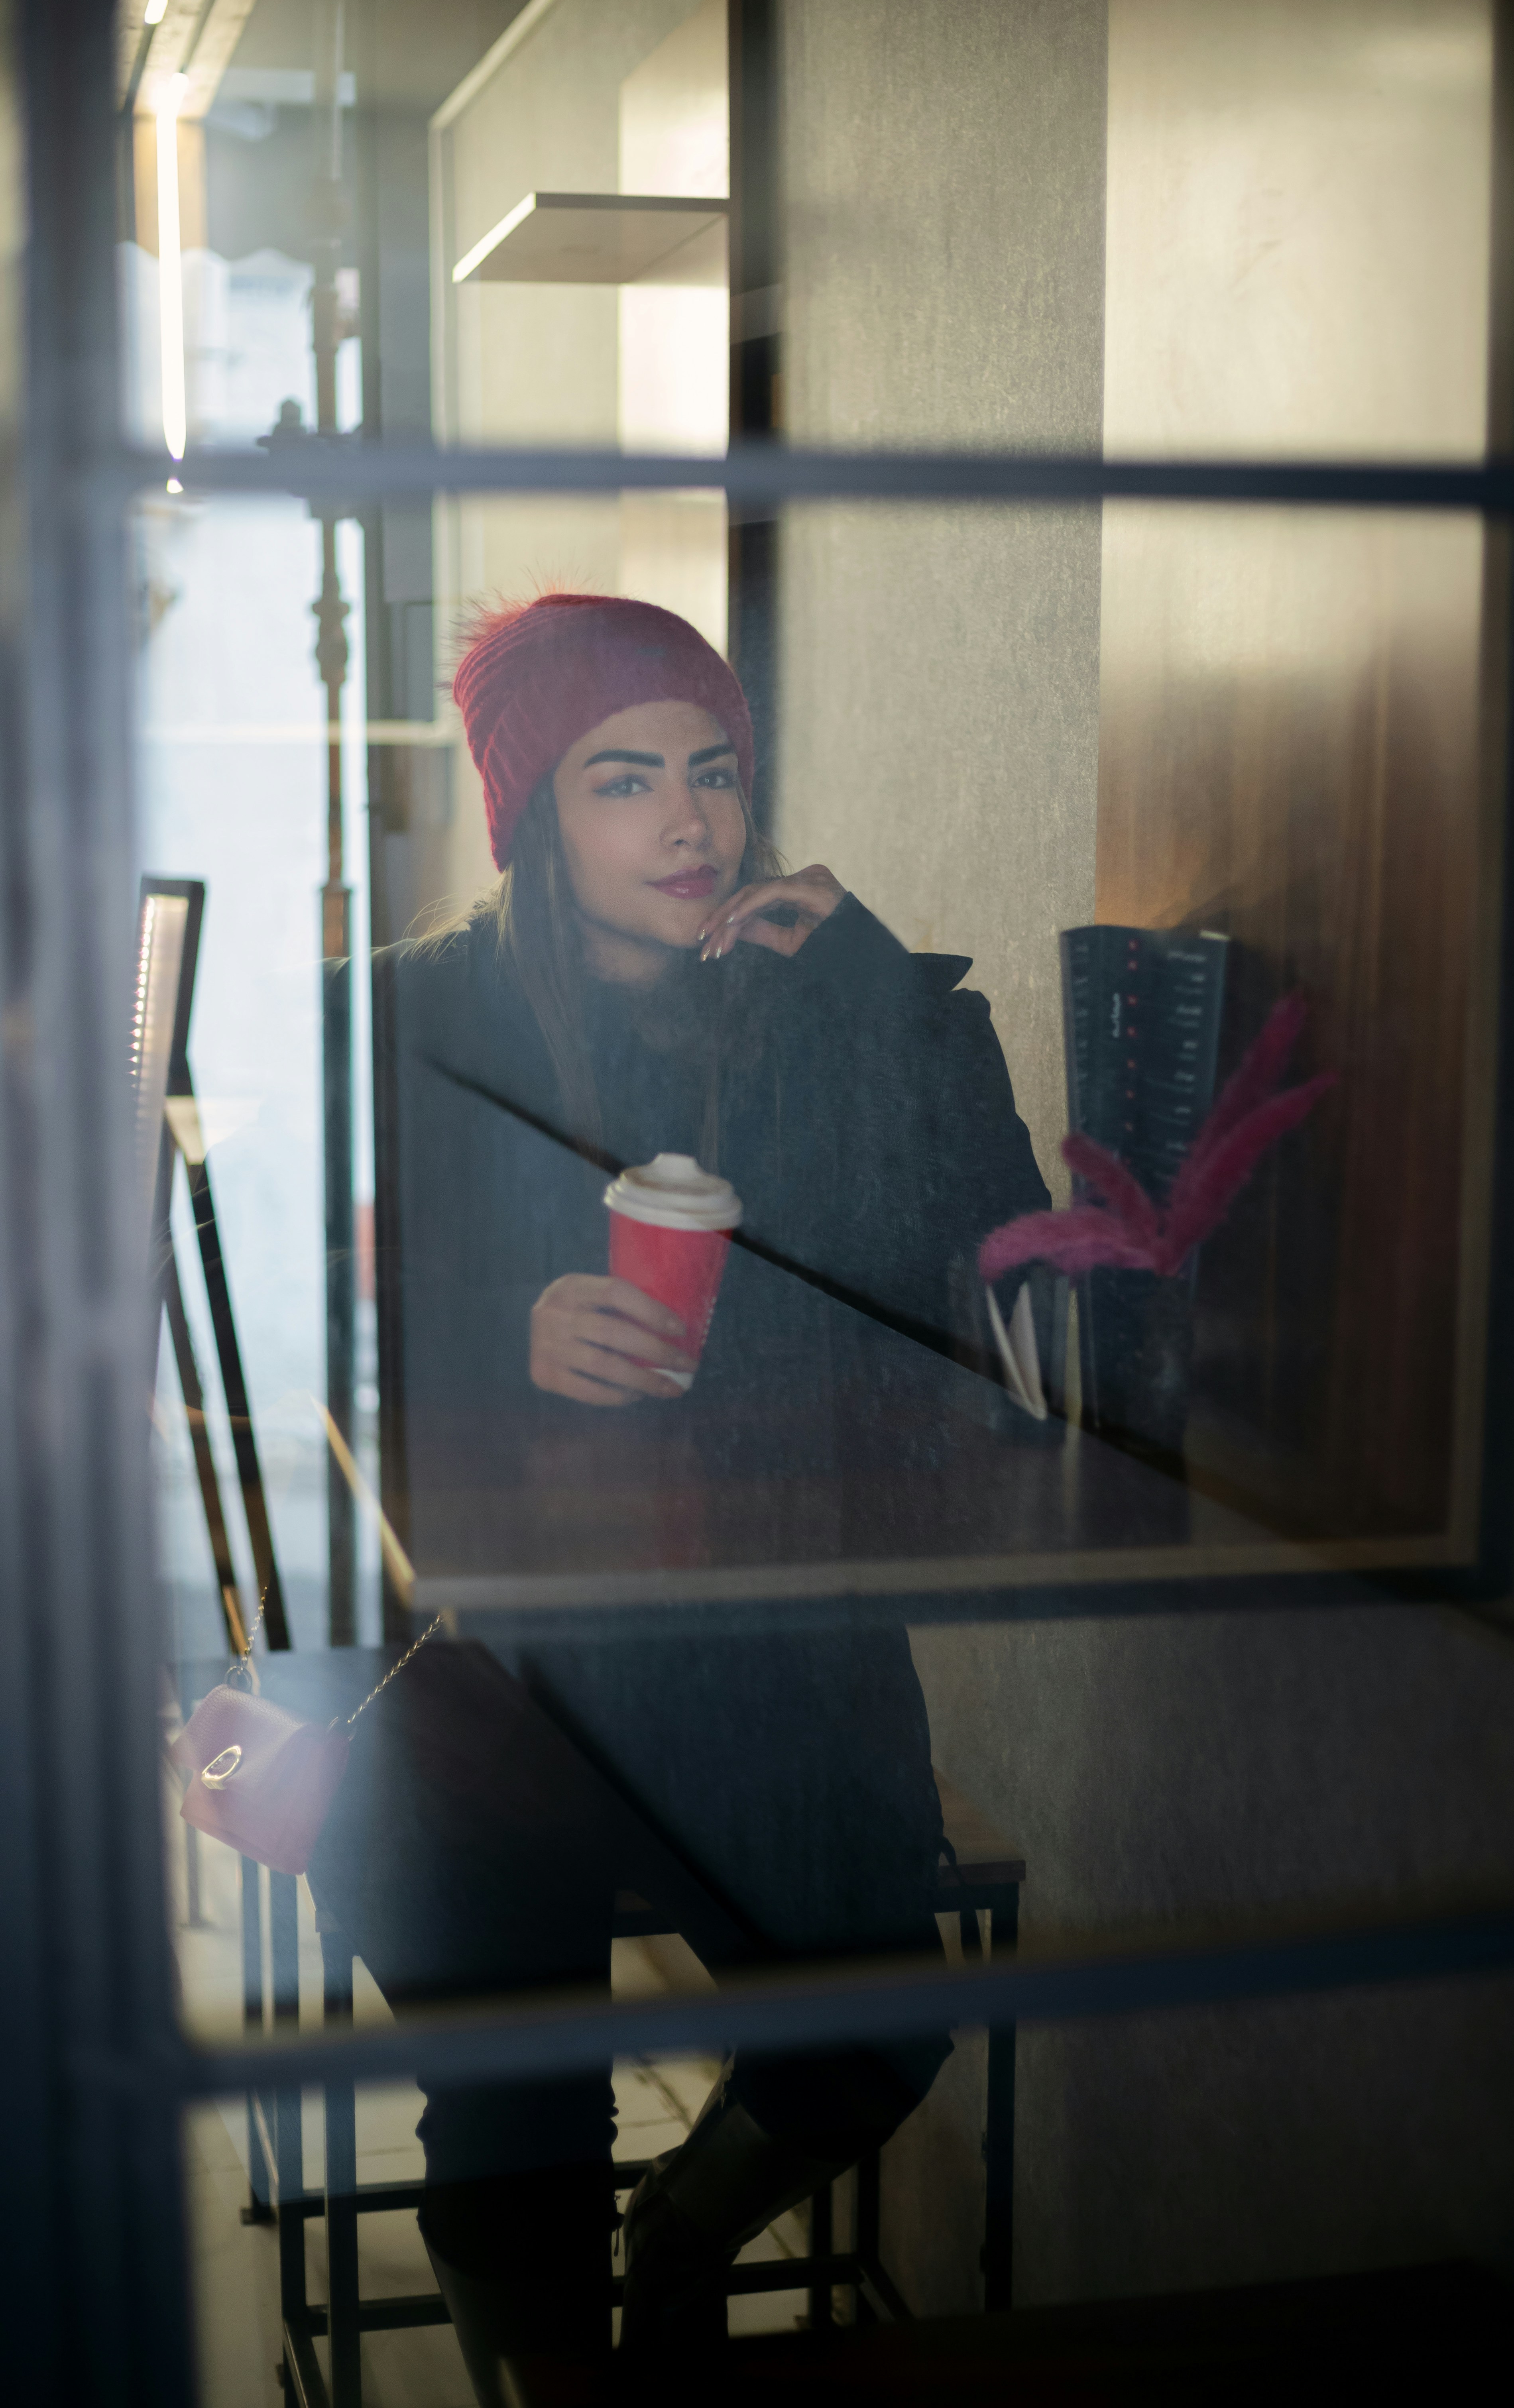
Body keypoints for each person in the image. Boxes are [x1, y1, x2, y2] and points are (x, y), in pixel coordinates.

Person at [304, 591, 1049, 2397]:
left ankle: (684, 2236)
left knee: (877, 2025)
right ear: (531, 815)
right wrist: (498, 1333)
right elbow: (295, 1325)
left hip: (760, 1629)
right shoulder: (402, 1019)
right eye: (620, 780)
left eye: (711, 771)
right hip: (484, 1662)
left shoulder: (803, 1001)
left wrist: (873, 992)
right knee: (506, 2080)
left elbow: (989, 1270)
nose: (688, 822)